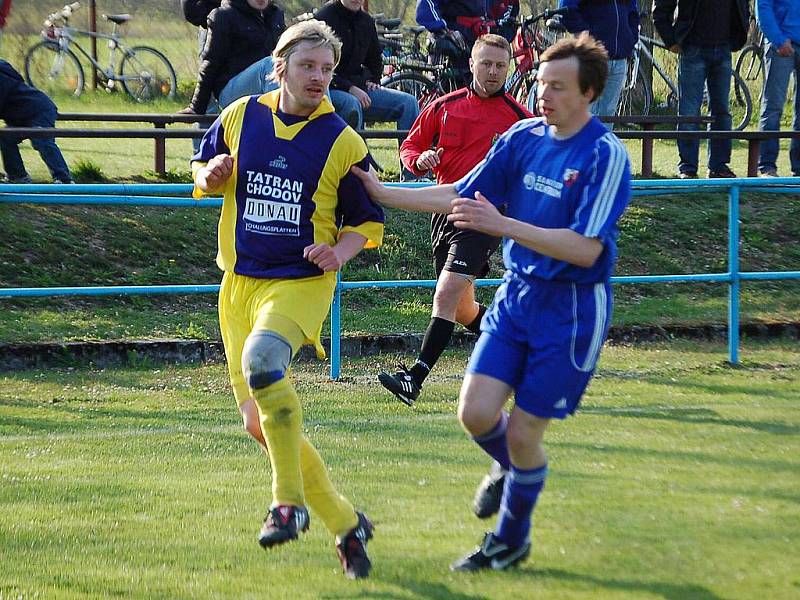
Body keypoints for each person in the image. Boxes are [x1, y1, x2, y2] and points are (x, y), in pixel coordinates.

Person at [352, 31, 631, 571]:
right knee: (477, 413)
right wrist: (386, 194)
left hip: (570, 311)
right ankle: (513, 471)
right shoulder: (523, 136)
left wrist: (503, 225)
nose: (544, 94)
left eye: (558, 86)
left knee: (525, 432)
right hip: (517, 300)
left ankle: (510, 539)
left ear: (589, 93)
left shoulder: (603, 156)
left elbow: (584, 248)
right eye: (542, 83)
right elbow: (462, 192)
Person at [191, 20, 384, 579]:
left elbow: (368, 218)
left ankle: (287, 504)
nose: (320, 78)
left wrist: (340, 252)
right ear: (279, 68)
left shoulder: (343, 139)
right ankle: (347, 525)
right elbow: (201, 168)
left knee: (263, 363)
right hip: (238, 283)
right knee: (260, 422)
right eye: (309, 67)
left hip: (299, 284)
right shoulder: (240, 114)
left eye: (328, 69)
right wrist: (211, 174)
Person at [377, 34, 531, 407]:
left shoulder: (519, 119)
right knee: (461, 309)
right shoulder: (444, 106)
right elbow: (409, 148)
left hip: (483, 216)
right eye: (486, 64)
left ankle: (414, 378)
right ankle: (522, 350)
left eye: (500, 65)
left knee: (445, 294)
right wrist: (420, 160)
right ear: (473, 65)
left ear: (508, 67)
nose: (493, 72)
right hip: (442, 210)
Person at [653, 0, 749, 179]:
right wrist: (670, 40)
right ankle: (688, 168)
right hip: (692, 47)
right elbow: (660, 10)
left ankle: (719, 166)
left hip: (723, 47)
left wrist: (740, 33)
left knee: (722, 112)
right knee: (689, 111)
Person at [314, 0, 419, 134]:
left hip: (360, 88)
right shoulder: (323, 19)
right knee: (351, 104)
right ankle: (358, 153)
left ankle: (410, 154)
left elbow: (375, 59)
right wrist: (350, 88)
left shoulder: (366, 21)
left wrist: (374, 80)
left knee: (408, 103)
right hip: (330, 89)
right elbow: (320, 68)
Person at [179, 0, 285, 117]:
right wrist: (196, 106)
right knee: (270, 63)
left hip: (265, 85)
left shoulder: (275, 15)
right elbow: (211, 62)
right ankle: (280, 121)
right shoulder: (224, 15)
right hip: (230, 90)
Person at [558, 0, 640, 122]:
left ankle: (603, 141)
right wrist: (583, 33)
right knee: (587, 110)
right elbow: (566, 8)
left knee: (609, 113)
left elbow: (633, 12)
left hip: (619, 59)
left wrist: (630, 38)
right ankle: (583, 141)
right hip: (592, 57)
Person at [0, 60, 72, 184]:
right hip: (20, 115)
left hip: (39, 110)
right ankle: (17, 175)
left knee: (42, 141)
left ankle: (64, 178)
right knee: (6, 137)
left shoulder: (2, 78)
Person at [755, 0, 800, 177]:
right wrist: (778, 39)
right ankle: (767, 165)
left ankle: (798, 167)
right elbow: (763, 7)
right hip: (780, 45)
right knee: (773, 105)